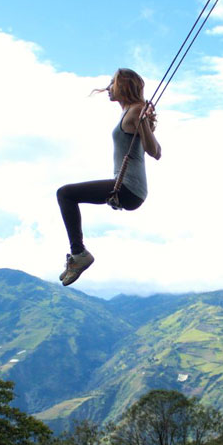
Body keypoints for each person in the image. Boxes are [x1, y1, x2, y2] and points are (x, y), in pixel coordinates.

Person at [57, 68, 161, 286]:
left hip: (129, 188)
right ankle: (78, 254)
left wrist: (143, 123)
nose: (108, 87)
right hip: (131, 189)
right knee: (66, 194)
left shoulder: (136, 111)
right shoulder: (131, 111)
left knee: (65, 194)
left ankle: (79, 254)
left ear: (123, 86)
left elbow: (155, 152)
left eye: (113, 82)